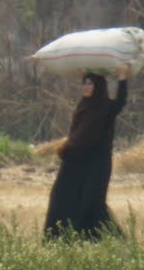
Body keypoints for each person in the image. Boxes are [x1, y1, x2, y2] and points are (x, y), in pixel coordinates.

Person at [44, 63, 128, 241]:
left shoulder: (104, 109)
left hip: (95, 166)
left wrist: (122, 78)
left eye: (90, 84)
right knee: (62, 200)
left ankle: (105, 241)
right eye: (85, 84)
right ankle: (60, 239)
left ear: (98, 87)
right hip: (74, 164)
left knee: (91, 205)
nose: (87, 87)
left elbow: (120, 102)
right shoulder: (84, 107)